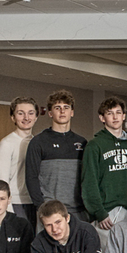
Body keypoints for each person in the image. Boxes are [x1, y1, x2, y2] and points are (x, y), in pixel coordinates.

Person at [82, 96, 127, 243]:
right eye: (109, 113)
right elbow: (89, 181)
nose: (115, 117)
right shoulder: (94, 145)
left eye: (118, 112)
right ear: (102, 118)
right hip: (106, 212)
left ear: (124, 116)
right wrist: (99, 212)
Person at [26, 90, 87, 220]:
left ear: (72, 112)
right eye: (57, 108)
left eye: (66, 108)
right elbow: (31, 178)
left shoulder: (82, 143)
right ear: (50, 113)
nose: (62, 111)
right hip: (50, 211)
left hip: (78, 211)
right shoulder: (38, 142)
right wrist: (41, 207)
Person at [0, 96, 39, 221]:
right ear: (13, 117)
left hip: (35, 202)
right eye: (21, 113)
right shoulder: (6, 143)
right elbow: (2, 181)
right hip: (16, 204)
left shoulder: (37, 142)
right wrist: (8, 209)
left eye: (30, 113)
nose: (26, 118)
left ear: (36, 117)